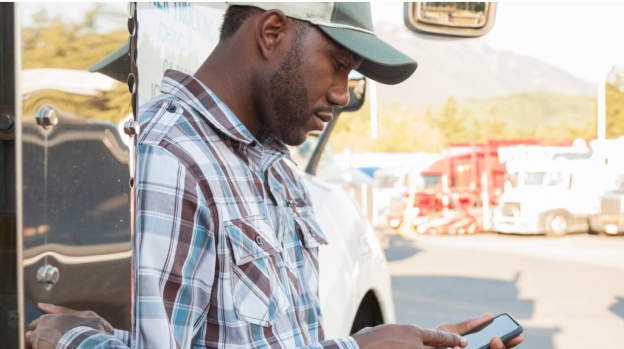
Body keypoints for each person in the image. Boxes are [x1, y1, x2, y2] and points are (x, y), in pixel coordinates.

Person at [27, 3, 524, 349]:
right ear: (271, 33)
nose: (343, 94)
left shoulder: (273, 165)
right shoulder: (174, 156)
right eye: (338, 65)